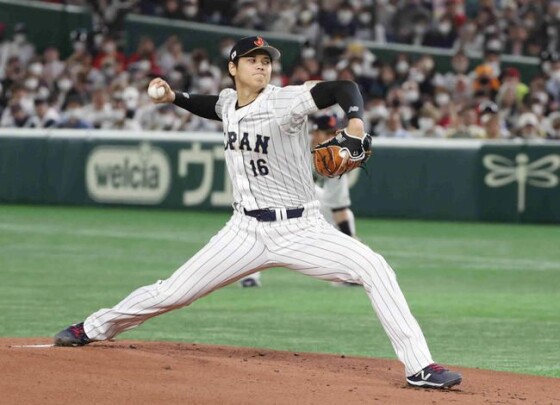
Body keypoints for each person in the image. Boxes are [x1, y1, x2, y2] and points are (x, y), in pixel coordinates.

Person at [54, 35, 462, 389]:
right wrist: (174, 97)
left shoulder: (285, 101)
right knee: (172, 293)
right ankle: (93, 327)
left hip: (302, 229)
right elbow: (214, 106)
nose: (262, 66)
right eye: (252, 60)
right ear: (233, 68)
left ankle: (419, 366)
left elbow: (344, 87)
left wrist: (355, 123)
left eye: (266, 61)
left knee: (374, 267)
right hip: (243, 232)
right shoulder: (229, 101)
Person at [239, 113, 359, 288]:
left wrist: (351, 244)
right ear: (315, 134)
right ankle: (248, 274)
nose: (332, 138)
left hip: (301, 196)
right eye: (327, 133)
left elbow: (338, 207)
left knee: (343, 214)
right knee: (260, 225)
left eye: (333, 133)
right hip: (270, 188)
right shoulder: (294, 145)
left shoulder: (336, 157)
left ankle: (347, 271)